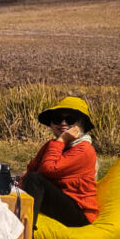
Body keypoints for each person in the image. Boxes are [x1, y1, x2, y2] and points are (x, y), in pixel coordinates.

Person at [20, 96, 99, 231]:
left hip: (79, 213)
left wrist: (62, 140)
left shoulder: (84, 150)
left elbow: (48, 169)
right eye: (57, 119)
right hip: (59, 200)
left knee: (35, 180)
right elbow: (32, 168)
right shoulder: (52, 145)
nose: (63, 123)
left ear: (81, 125)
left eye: (70, 120)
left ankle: (26, 235)